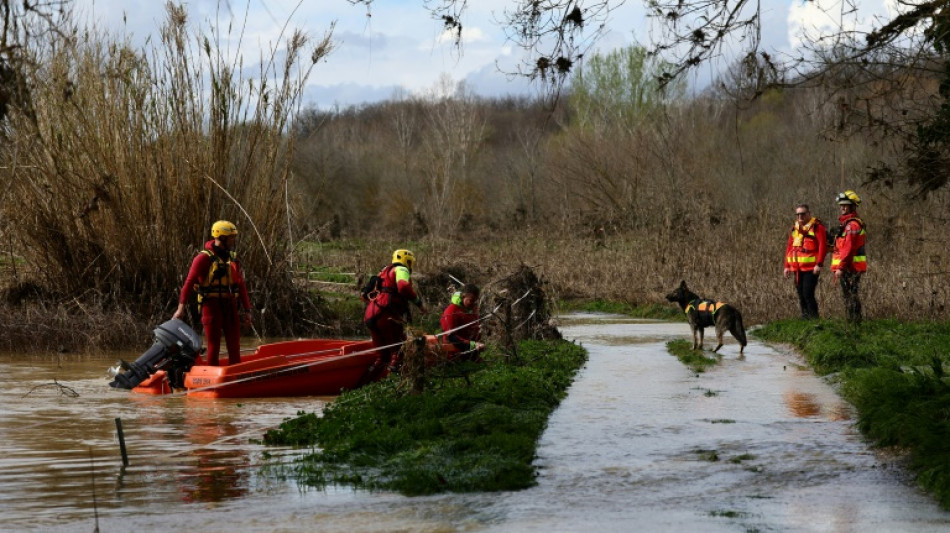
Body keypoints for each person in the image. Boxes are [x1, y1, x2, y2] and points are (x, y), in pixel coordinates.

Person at [173, 220, 252, 366]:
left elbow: (241, 286)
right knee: (213, 346)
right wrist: (180, 309)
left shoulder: (233, 258)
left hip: (230, 307)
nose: (233, 240)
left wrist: (247, 310)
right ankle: (211, 379)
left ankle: (236, 380)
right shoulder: (203, 258)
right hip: (211, 307)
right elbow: (188, 284)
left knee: (234, 346)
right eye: (231, 237)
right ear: (221, 237)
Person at [362, 249, 426, 377]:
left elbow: (364, 296)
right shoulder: (401, 270)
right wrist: (418, 303)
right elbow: (403, 286)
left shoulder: (382, 273)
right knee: (398, 352)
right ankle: (394, 382)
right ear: (406, 261)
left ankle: (367, 380)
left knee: (381, 357)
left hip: (370, 315)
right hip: (386, 314)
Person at [783, 203, 828, 319]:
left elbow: (823, 246)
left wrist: (819, 264)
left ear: (808, 214)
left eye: (802, 214)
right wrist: (787, 266)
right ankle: (805, 317)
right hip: (797, 268)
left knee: (808, 293)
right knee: (801, 294)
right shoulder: (795, 228)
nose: (800, 217)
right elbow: (789, 247)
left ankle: (814, 319)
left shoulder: (817, 227)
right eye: (797, 214)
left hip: (811, 268)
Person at [830, 190, 867, 323]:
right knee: (849, 295)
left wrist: (840, 267)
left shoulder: (852, 225)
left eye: (845, 205)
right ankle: (853, 322)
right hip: (849, 266)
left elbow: (848, 248)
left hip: (851, 267)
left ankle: (854, 323)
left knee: (850, 295)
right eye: (841, 205)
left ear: (853, 206)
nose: (842, 207)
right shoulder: (846, 224)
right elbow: (841, 247)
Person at [440, 284, 485, 360]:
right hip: (456, 356)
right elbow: (450, 337)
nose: (474, 303)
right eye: (471, 300)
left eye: (475, 301)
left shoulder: (471, 307)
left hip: (472, 354)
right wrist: (473, 345)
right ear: (463, 296)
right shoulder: (451, 311)